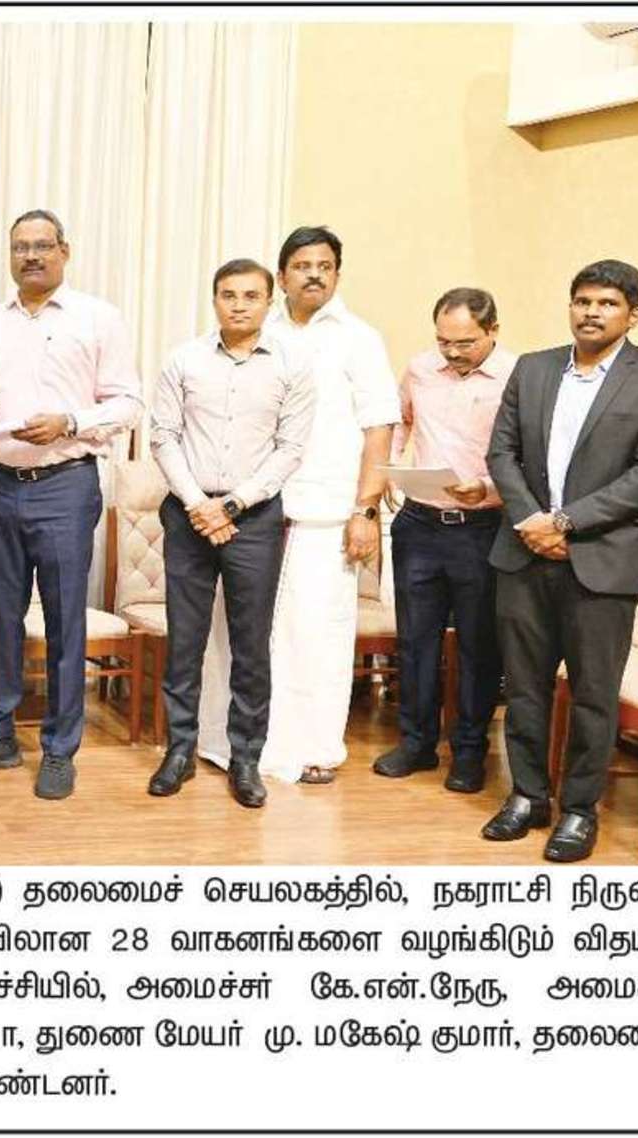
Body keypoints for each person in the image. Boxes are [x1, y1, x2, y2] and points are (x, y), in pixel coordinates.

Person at [483, 260, 638, 862]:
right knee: (524, 687)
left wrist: (565, 523)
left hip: (604, 559)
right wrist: (533, 521)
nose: (591, 313)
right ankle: (528, 796)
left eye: (607, 303)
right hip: (524, 553)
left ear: (633, 315)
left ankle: (579, 810)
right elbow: (502, 452)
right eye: (583, 301)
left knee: (594, 694)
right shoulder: (533, 368)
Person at [196, 225, 398, 785]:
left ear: (337, 274)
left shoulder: (360, 339)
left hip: (324, 512)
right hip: (251, 506)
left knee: (315, 636)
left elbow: (379, 428)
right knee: (238, 631)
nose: (314, 275)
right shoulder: (258, 330)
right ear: (281, 276)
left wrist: (365, 510)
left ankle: (311, 748)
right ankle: (228, 742)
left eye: (325, 266)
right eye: (302, 266)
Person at [0, 210, 142, 799]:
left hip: (66, 482)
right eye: (20, 247)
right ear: (10, 256)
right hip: (1, 481)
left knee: (65, 619)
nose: (31, 256)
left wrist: (69, 421)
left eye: (42, 246)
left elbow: (128, 402)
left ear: (65, 251)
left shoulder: (97, 318)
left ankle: (60, 749)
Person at [146, 259, 314, 807]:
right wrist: (200, 505)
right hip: (188, 513)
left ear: (269, 301)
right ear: (214, 299)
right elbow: (163, 436)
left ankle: (246, 758)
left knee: (251, 643)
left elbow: (290, 449)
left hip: (255, 517)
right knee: (185, 640)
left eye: (250, 295)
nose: (239, 305)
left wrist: (234, 504)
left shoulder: (292, 366)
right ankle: (179, 750)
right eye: (228, 294)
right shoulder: (184, 359)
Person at [371, 287, 515, 793]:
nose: (452, 353)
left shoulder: (518, 377)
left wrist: (489, 488)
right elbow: (397, 422)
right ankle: (416, 744)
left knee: (478, 646)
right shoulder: (419, 369)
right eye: (443, 341)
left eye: (465, 343)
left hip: (482, 528)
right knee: (415, 641)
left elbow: (526, 455)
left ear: (493, 331)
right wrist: (390, 468)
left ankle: (470, 753)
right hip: (419, 525)